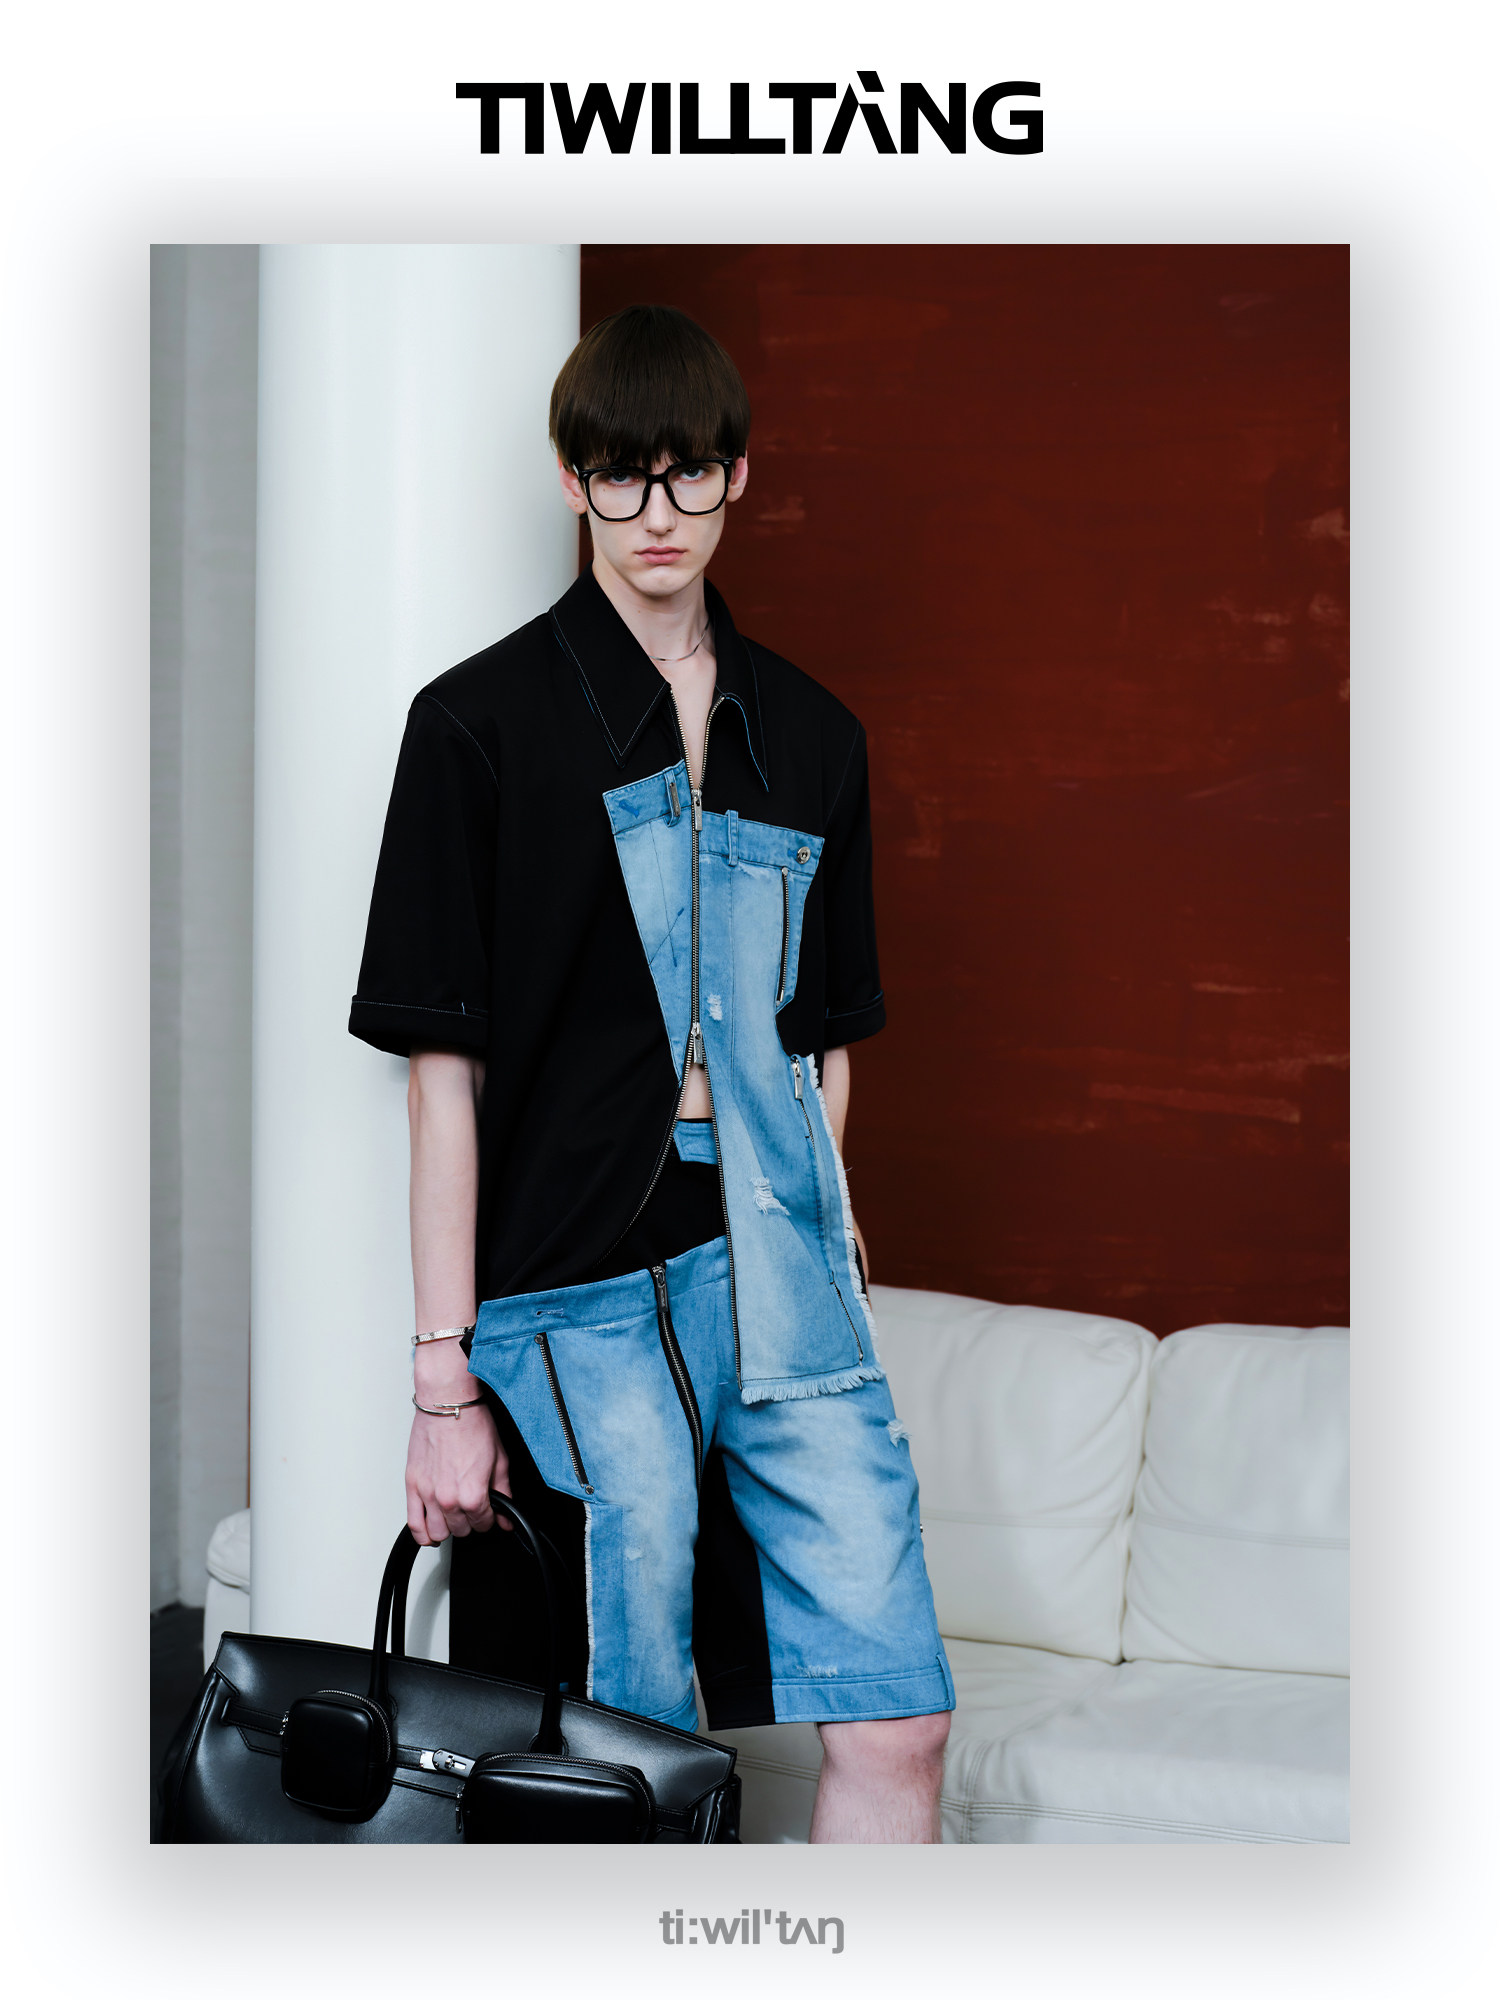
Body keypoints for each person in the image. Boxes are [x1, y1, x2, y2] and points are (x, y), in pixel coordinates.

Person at [349, 303, 954, 1842]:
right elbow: (440, 1080)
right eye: (622, 476)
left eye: (688, 474)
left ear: (738, 476)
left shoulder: (812, 736)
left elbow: (822, 1035)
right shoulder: (475, 726)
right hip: (580, 1274)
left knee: (902, 1715)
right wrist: (441, 1377)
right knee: (642, 1737)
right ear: (573, 481)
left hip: (777, 1260)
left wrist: (825, 1217)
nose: (657, 513)